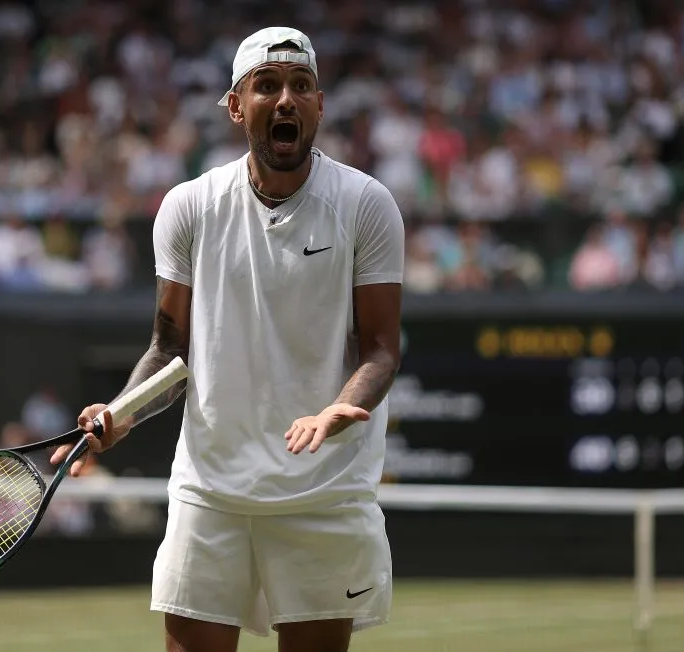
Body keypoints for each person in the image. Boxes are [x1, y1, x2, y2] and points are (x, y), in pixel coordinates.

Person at [51, 26, 404, 652]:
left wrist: (343, 406)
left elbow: (380, 348)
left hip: (323, 491)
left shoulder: (367, 205)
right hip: (210, 491)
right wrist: (122, 411)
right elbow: (169, 347)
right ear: (237, 106)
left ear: (319, 106)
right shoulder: (188, 208)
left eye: (301, 86)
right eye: (267, 85)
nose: (286, 99)